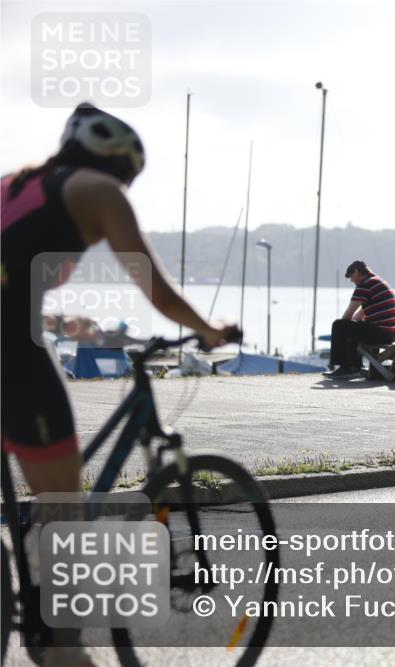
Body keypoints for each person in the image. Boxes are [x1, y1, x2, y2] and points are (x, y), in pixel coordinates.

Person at [1, 102, 237, 667]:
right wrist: (208, 329)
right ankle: (62, 650)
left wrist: (52, 318)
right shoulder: (98, 191)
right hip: (12, 354)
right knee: (64, 512)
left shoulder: (14, 185)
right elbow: (155, 288)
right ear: (122, 166)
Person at [323, 260, 395, 379]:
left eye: (351, 276)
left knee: (339, 326)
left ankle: (345, 368)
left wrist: (345, 327)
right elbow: (359, 315)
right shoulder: (378, 282)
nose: (351, 280)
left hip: (382, 332)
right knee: (353, 327)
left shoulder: (365, 285)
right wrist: (352, 325)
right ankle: (354, 368)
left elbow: (347, 316)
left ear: (356, 272)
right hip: (394, 333)